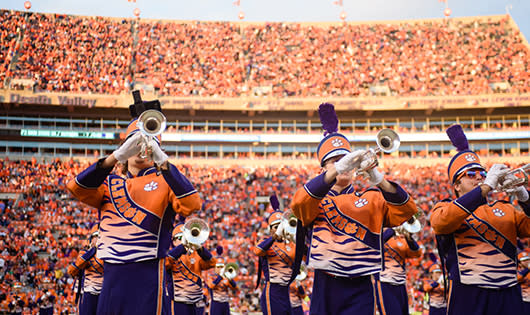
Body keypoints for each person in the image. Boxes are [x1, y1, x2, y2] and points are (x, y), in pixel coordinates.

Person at [66, 95, 202, 315]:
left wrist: (163, 161)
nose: (140, 149)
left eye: (146, 144)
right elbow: (76, 188)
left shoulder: (165, 182)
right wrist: (114, 157)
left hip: (148, 277)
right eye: (134, 143)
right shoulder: (108, 183)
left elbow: (192, 204)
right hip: (111, 278)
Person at [290, 103, 417, 314]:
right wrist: (335, 171)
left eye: (346, 159)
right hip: (326, 284)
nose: (344, 164)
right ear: (322, 168)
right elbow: (299, 205)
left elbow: (407, 211)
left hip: (361, 285)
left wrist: (379, 180)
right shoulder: (314, 199)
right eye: (335, 160)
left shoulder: (371, 198)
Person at [430, 124, 530, 315]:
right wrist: (484, 188)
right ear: (457, 185)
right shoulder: (445, 207)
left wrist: (525, 197)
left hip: (508, 292)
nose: (479, 177)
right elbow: (440, 223)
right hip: (468, 293)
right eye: (470, 174)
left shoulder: (505, 208)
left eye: (482, 174)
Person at [253, 195, 296, 315]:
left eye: (281, 226)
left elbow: (306, 258)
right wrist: (274, 237)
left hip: (286, 291)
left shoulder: (292, 244)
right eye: (276, 227)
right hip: (272, 292)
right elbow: (257, 251)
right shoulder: (265, 242)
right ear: (270, 229)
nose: (280, 229)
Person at [166, 219, 216, 315]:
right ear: (174, 241)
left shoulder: (197, 255)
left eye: (185, 238)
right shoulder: (171, 256)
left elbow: (212, 263)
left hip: (196, 302)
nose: (183, 241)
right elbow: (165, 264)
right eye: (180, 238)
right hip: (178, 302)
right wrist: (181, 248)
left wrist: (200, 249)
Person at [374, 227, 421, 315]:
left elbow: (417, 253)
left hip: (401, 284)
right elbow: (375, 243)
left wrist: (409, 238)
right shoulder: (379, 231)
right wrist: (392, 230)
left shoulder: (402, 239)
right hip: (384, 282)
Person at [67, 224, 103, 315]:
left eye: (100, 237)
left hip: (106, 292)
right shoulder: (85, 252)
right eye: (96, 236)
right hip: (89, 291)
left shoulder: (109, 253)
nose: (98, 239)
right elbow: (72, 271)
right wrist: (91, 252)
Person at [207, 247, 239, 315]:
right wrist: (220, 277)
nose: (220, 269)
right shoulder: (211, 276)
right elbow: (211, 286)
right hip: (216, 303)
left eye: (221, 267)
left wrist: (230, 279)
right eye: (218, 267)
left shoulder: (226, 277)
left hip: (225, 303)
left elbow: (235, 288)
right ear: (214, 268)